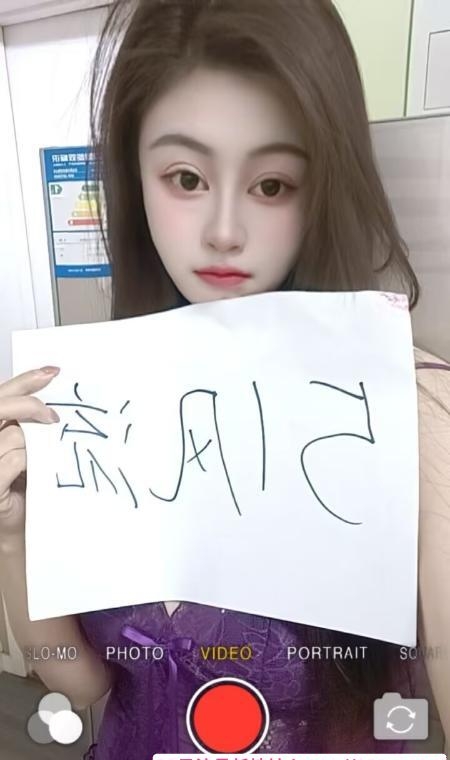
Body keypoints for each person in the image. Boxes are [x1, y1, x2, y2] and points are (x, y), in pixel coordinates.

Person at [0, 0, 449, 757]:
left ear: (321, 189)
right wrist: (12, 538)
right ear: (135, 178)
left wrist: (430, 444)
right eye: (185, 177)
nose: (224, 231)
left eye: (272, 185)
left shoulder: (405, 410)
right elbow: (82, 687)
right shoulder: (95, 402)